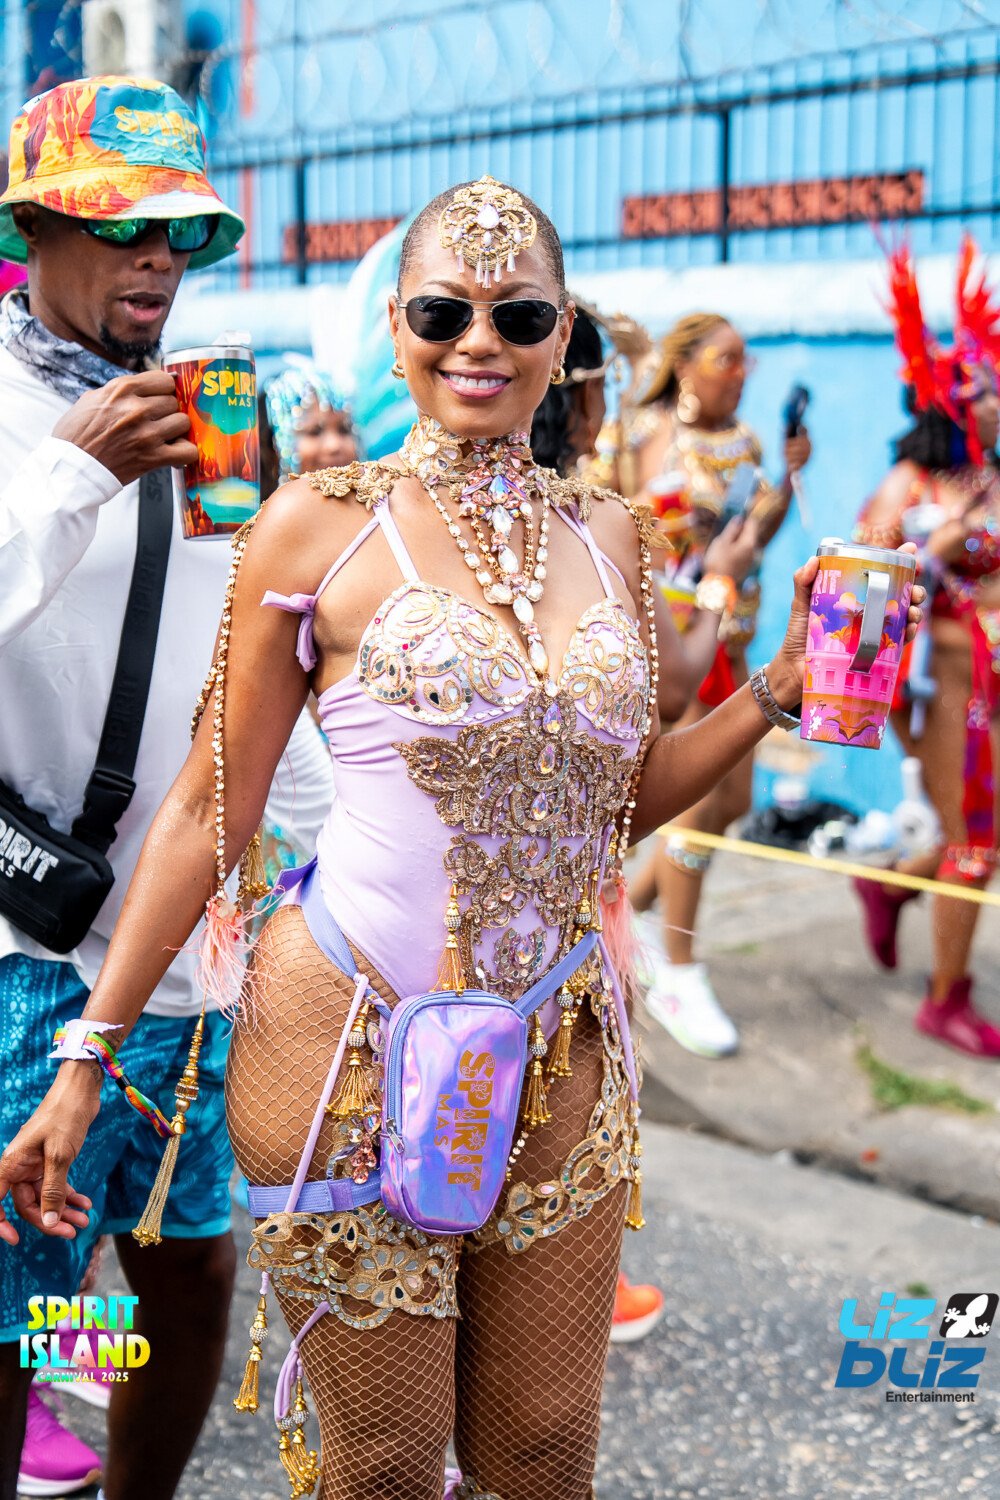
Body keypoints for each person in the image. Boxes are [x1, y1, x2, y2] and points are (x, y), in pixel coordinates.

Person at [0, 176, 921, 1500]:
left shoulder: (614, 533)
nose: (478, 341)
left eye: (517, 314)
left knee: (542, 1460)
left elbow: (618, 802)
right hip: (346, 1048)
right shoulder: (311, 522)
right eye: (443, 311)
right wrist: (88, 1056)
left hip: (562, 1045)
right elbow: (211, 806)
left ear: (562, 332)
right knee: (381, 1468)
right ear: (398, 327)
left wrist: (772, 692)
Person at [0, 74, 245, 1500]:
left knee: (185, 1271)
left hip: (182, 942)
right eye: (123, 225)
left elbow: (231, 662)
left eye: (181, 233)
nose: (159, 258)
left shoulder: (208, 412)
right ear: (33, 229)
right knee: (17, 1296)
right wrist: (70, 475)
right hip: (24, 940)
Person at [530, 302, 756, 1345]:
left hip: (468, 871)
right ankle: (571, 1277)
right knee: (573, 1071)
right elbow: (672, 681)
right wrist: (723, 581)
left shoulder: (435, 515)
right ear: (577, 400)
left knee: (475, 1083)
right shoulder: (597, 522)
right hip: (569, 859)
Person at [620, 312, 812, 1058]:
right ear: (687, 366)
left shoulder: (748, 442)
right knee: (699, 804)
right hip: (681, 637)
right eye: (726, 360)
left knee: (732, 801)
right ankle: (678, 969)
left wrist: (787, 480)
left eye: (744, 361)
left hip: (733, 630)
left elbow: (754, 535)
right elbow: (640, 528)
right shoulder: (651, 433)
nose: (740, 373)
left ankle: (630, 912)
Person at [852, 237, 1000, 1057]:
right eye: (986, 390)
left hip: (992, 682)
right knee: (976, 841)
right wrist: (938, 547)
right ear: (950, 400)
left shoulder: (993, 477)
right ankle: (945, 1002)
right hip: (946, 687)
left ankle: (890, 888)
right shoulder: (910, 486)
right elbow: (861, 593)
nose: (998, 402)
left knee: (973, 834)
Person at [259, 357, 361, 500]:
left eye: (344, 429)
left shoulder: (380, 508)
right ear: (272, 448)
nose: (334, 445)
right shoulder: (251, 513)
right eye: (314, 432)